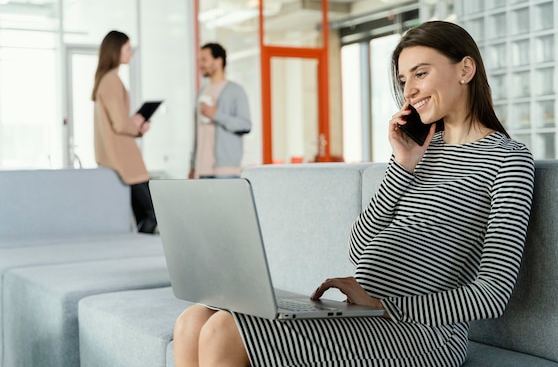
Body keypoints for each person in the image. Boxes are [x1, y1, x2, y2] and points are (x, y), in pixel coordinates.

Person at [172, 21, 535, 367]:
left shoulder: (508, 159)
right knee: (193, 320)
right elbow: (359, 247)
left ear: (465, 69)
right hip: (367, 315)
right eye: (404, 80)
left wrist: (385, 304)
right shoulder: (420, 150)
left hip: (423, 335)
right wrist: (402, 165)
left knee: (224, 330)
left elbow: (493, 292)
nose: (408, 90)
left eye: (420, 73)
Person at [92, 30, 157, 235]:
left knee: (143, 215)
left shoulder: (106, 79)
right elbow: (120, 124)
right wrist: (136, 124)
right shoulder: (111, 80)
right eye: (128, 49)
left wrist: (137, 128)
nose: (131, 53)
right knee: (152, 214)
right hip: (125, 161)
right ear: (116, 51)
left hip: (122, 159)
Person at [189, 43, 251, 179]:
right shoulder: (201, 92)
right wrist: (193, 165)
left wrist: (216, 114)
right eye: (200, 60)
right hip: (202, 170)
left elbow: (245, 125)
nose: (200, 64)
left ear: (218, 61)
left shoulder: (235, 91)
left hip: (225, 170)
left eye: (204, 60)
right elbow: (197, 132)